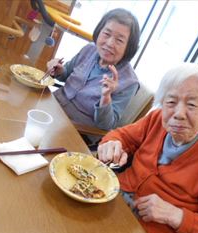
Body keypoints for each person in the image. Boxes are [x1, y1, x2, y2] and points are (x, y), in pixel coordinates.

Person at [97, 63, 198, 233]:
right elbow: (122, 136)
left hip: (150, 232)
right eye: (171, 102)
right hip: (112, 201)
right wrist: (112, 143)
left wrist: (177, 216)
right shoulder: (156, 119)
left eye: (191, 104)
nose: (179, 113)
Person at [46, 8, 140, 141]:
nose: (109, 43)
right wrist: (58, 70)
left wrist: (106, 97)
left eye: (119, 40)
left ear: (129, 47)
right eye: (107, 34)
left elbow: (106, 125)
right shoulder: (89, 49)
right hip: (52, 107)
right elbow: (66, 73)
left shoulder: (129, 82)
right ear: (99, 31)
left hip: (77, 131)